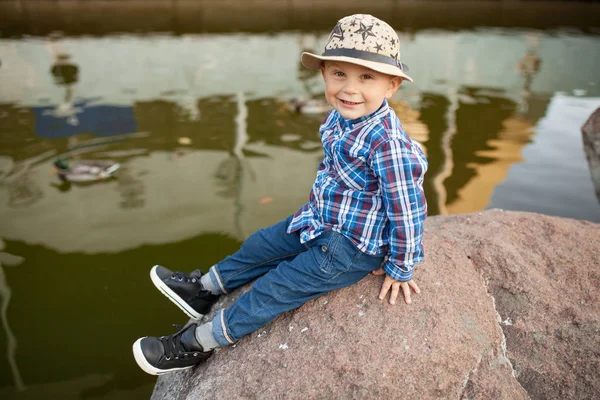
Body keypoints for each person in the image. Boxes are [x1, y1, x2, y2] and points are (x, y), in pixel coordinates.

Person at [132, 13, 428, 376]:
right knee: (262, 244)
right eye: (339, 74)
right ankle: (204, 288)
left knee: (275, 288)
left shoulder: (387, 144)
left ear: (392, 85)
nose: (350, 89)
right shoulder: (340, 117)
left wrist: (401, 265)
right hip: (322, 219)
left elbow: (407, 209)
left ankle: (197, 344)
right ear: (323, 75)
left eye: (366, 77)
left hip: (351, 249)